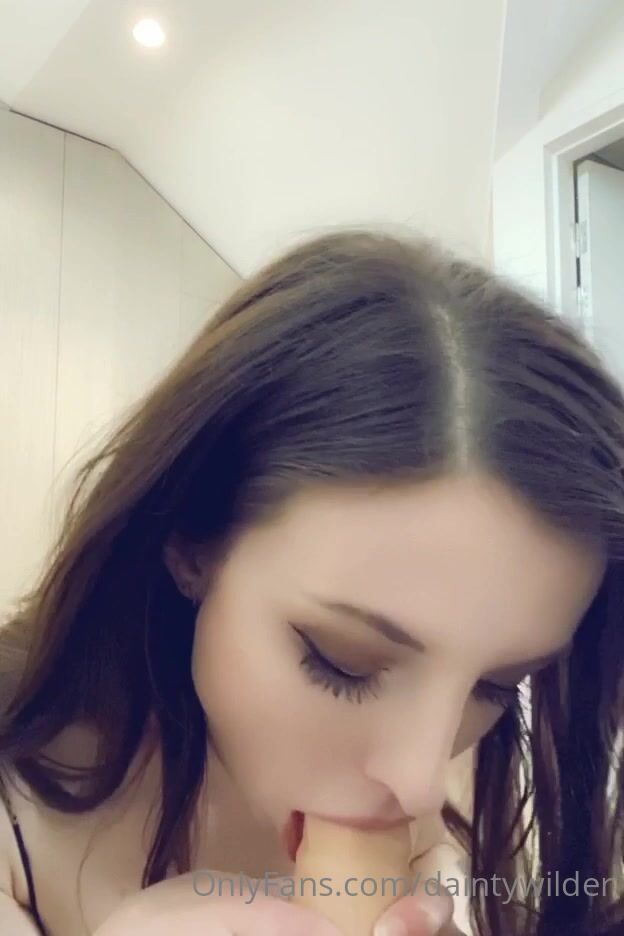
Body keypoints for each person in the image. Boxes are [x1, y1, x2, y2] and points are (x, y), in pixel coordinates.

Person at [0, 228, 622, 936]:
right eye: (342, 663)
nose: (419, 782)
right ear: (191, 541)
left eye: (496, 686)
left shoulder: (445, 797)